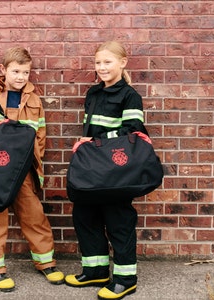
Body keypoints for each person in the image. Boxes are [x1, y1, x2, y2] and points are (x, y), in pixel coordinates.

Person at [0, 47, 64, 292]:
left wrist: (34, 168)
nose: (21, 76)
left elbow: (40, 135)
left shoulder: (33, 99)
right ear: (3, 70)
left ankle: (46, 263)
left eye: (26, 71)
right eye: (16, 71)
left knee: (34, 216)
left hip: (21, 170)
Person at [65, 41, 148, 300]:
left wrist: (97, 142)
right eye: (98, 63)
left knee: (118, 222)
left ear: (123, 62)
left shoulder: (130, 96)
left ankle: (125, 279)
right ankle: (96, 271)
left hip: (116, 171)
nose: (102, 67)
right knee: (84, 217)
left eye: (108, 62)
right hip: (92, 170)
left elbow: (134, 132)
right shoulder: (93, 93)